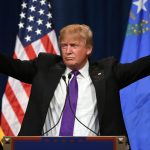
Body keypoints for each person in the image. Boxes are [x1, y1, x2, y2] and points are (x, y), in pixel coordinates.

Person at [0, 24, 150, 138]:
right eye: (64, 46)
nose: (68, 51)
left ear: (88, 49)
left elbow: (141, 67)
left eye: (74, 45)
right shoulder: (45, 67)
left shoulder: (108, 72)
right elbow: (12, 66)